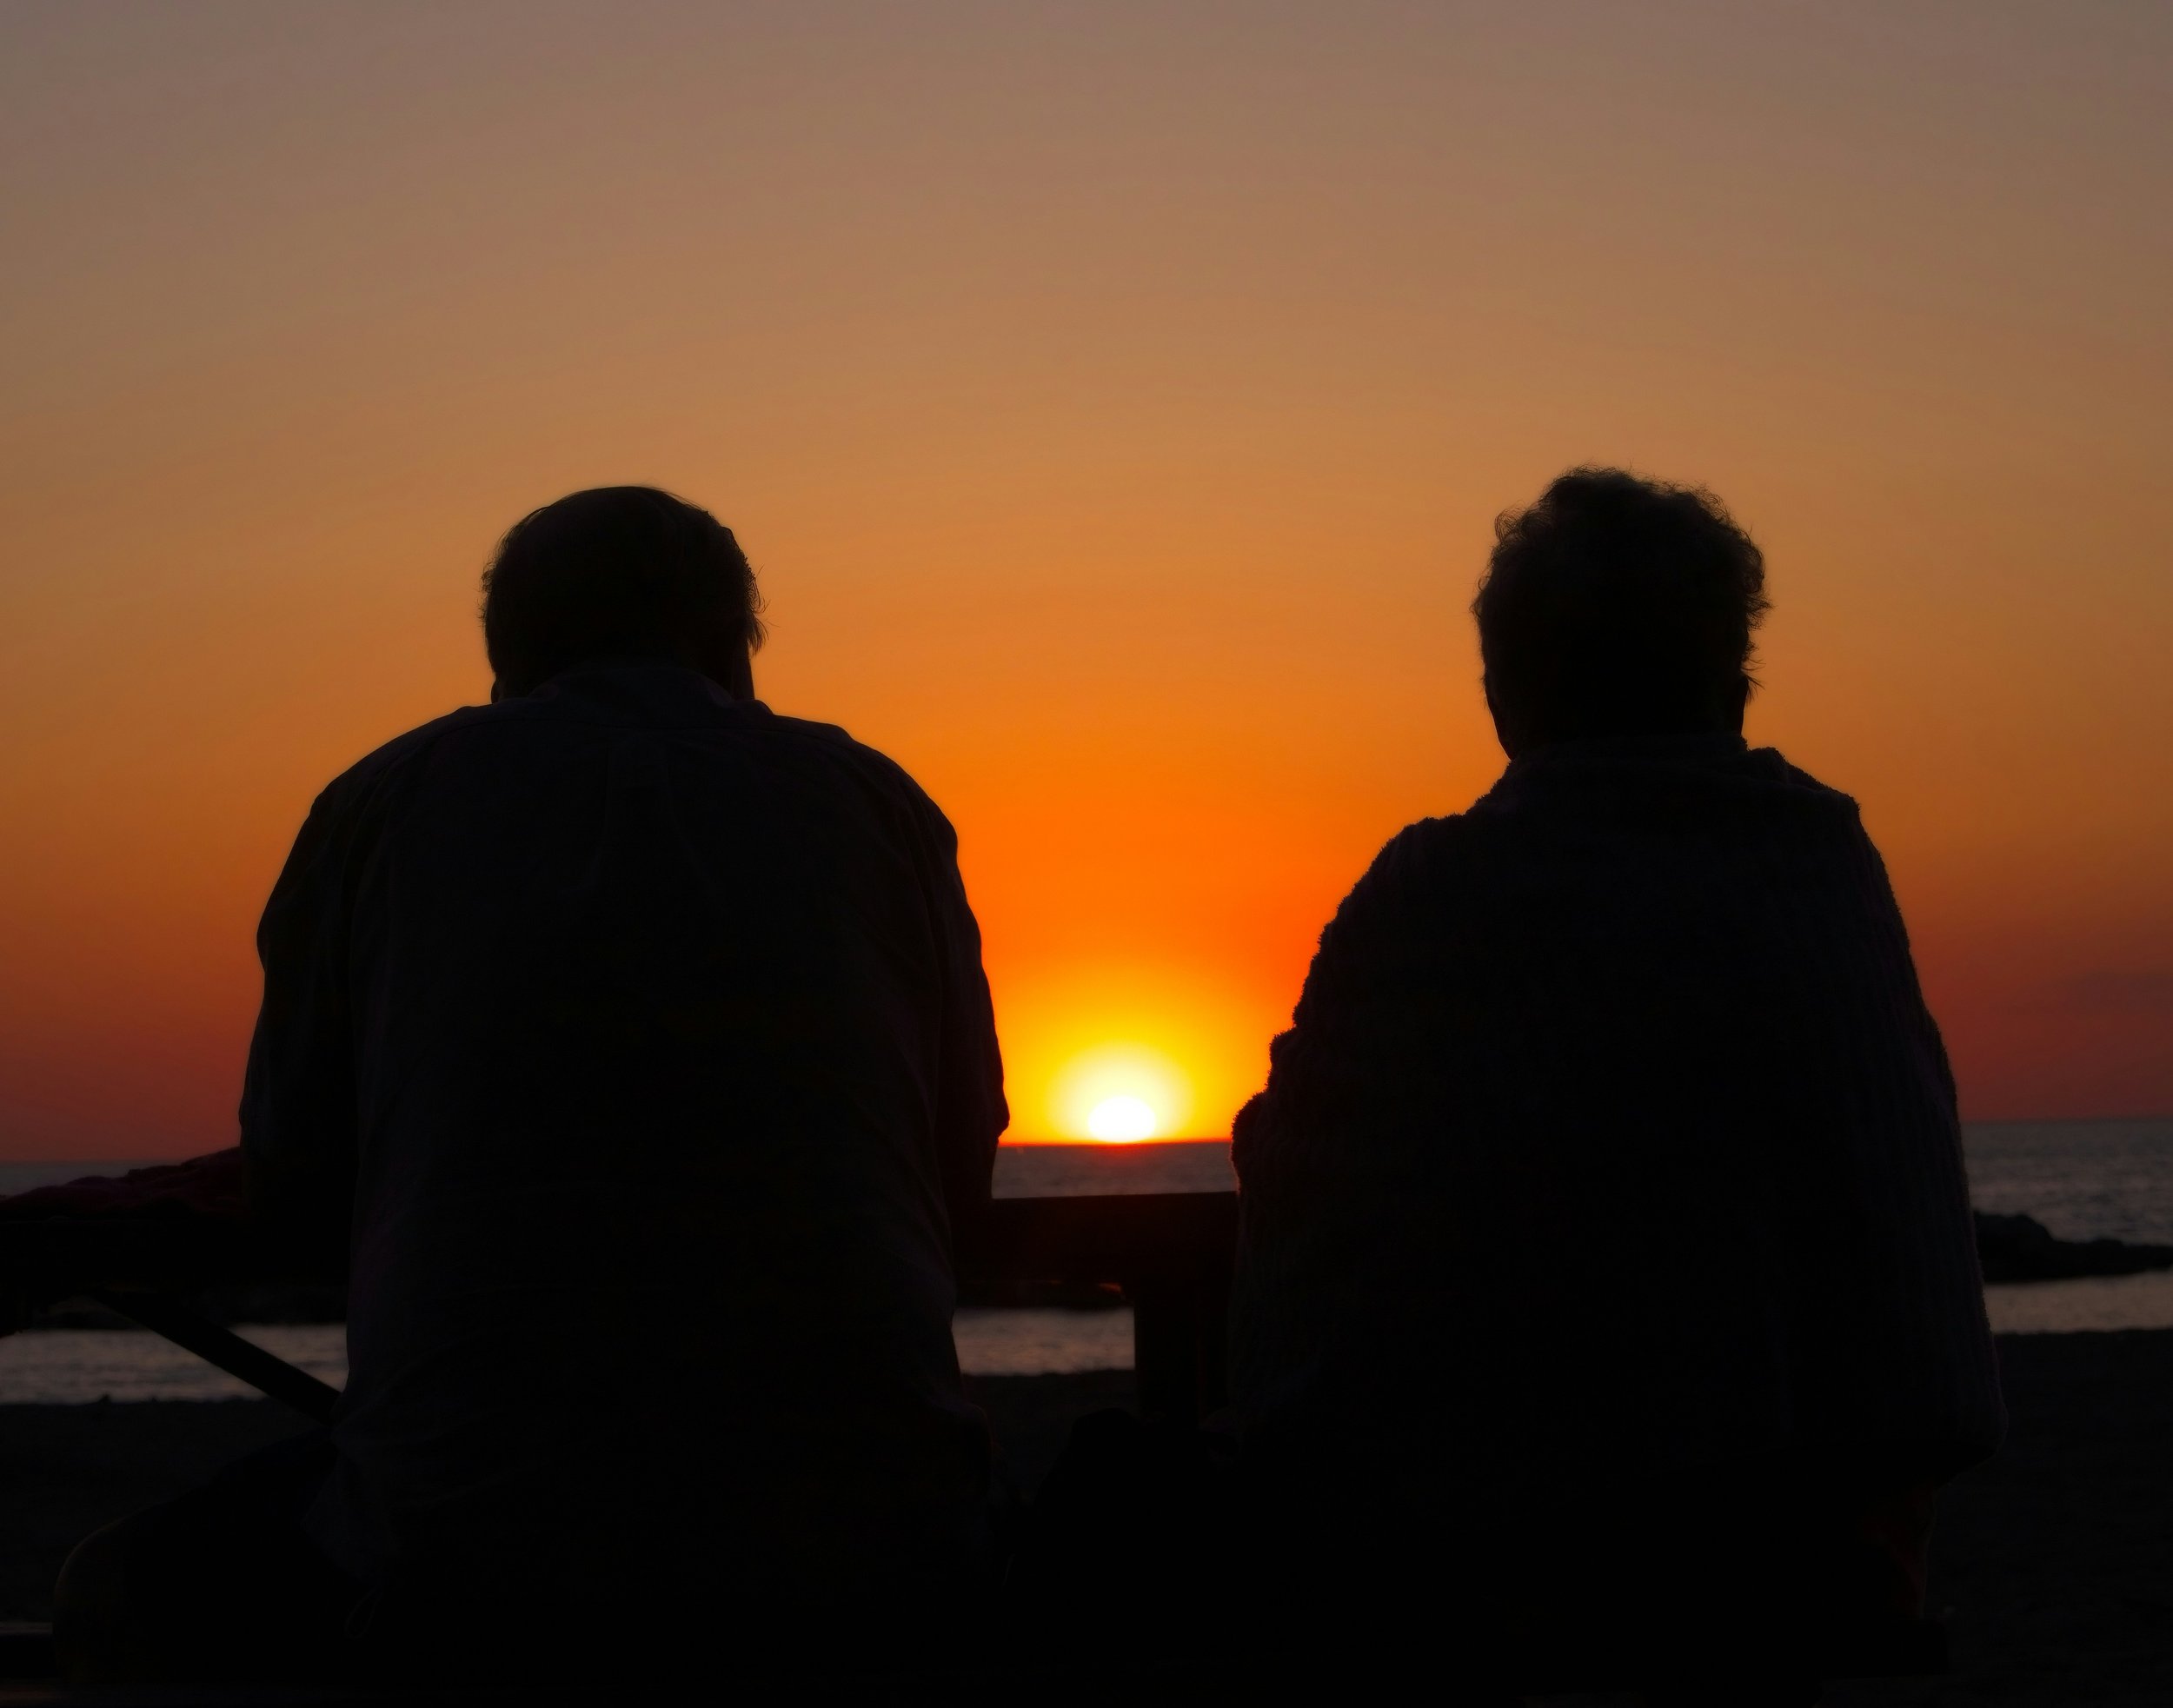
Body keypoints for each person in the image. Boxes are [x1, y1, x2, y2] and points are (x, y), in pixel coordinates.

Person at [50, 487, 1007, 1683]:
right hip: (880, 1545)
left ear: (510, 661)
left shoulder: (384, 803)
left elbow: (298, 1176)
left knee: (111, 1590)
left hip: (471, 1566)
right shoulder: (881, 806)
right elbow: (959, 1167)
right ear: (732, 649)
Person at [1226, 469, 2003, 1693]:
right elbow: (1912, 1305)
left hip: (1519, 1593)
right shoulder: (1824, 863)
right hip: (1824, 1593)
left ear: (1507, 690)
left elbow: (1295, 1194)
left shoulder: (1434, 895)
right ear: (1730, 677)